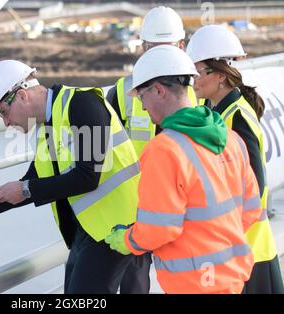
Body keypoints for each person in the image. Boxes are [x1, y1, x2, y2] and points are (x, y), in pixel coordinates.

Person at [0, 59, 143, 294]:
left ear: (21, 96)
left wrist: (26, 189)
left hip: (117, 226)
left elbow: (88, 176)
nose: (7, 123)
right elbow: (33, 180)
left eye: (3, 113)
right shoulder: (46, 127)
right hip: (89, 230)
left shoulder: (82, 103)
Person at [105, 45, 262, 293]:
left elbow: (159, 229)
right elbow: (252, 210)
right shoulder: (231, 138)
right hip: (230, 277)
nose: (143, 108)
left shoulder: (163, 150)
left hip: (194, 282)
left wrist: (126, 240)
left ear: (158, 90)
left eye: (142, 97)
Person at [186, 24, 283, 294]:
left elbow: (256, 187)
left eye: (198, 72)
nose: (193, 79)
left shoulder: (237, 117)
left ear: (219, 76)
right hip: (232, 246)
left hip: (248, 247)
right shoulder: (211, 111)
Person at [105, 6, 196, 294]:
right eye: (154, 49)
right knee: (136, 287)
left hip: (187, 206)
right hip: (138, 208)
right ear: (142, 48)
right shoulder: (121, 93)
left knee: (185, 279)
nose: (160, 57)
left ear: (182, 47)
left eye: (166, 48)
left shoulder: (200, 91)